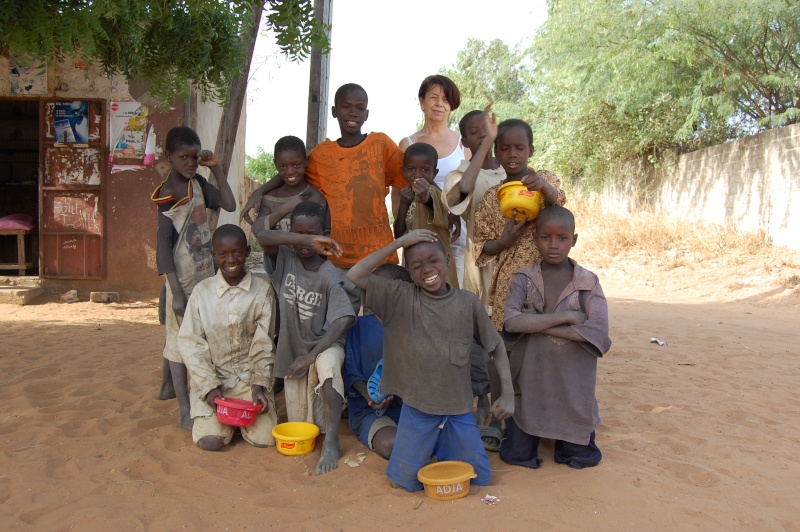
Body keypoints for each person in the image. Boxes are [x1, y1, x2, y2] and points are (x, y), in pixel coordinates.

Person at [346, 229, 515, 492]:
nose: (427, 269)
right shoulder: (401, 298)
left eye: (434, 260)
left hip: (458, 412)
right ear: (409, 272)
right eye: (417, 265)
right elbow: (354, 275)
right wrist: (399, 242)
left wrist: (508, 394)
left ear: (448, 258)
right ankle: (428, 446)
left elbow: (496, 348)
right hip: (417, 411)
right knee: (404, 483)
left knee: (480, 479)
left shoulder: (467, 303)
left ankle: (442, 445)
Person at [243, 83, 408, 313]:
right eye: (346, 106)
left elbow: (411, 172)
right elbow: (292, 170)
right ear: (334, 111)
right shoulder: (323, 156)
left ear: (367, 114)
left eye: (360, 108)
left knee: (380, 327)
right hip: (339, 260)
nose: (353, 112)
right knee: (342, 326)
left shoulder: (381, 145)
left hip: (379, 260)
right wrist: (258, 191)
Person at [473, 118, 566, 451]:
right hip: (507, 284)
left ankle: (542, 420)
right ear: (496, 151)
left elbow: (560, 205)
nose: (512, 154)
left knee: (543, 350)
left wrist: (542, 188)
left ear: (531, 149)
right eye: (505, 147)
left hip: (546, 282)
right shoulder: (490, 198)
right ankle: (498, 419)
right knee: (502, 351)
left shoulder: (545, 182)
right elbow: (480, 245)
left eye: (519, 147)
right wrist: (504, 240)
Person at [501, 205, 611, 468]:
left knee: (581, 457)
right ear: (535, 238)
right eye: (545, 237)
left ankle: (565, 437)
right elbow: (512, 322)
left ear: (574, 240)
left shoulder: (588, 282)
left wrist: (537, 321)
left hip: (573, 389)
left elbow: (598, 332)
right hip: (530, 383)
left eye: (562, 238)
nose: (553, 245)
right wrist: (569, 317)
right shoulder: (523, 278)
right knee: (516, 455)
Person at [256, 201, 356, 474]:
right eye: (298, 233)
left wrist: (312, 355)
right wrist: (305, 238)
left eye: (313, 233)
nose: (304, 241)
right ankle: (326, 424)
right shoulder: (285, 258)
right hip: (293, 353)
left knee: (328, 364)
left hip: (323, 347)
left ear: (325, 233)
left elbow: (344, 318)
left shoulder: (328, 274)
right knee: (304, 424)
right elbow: (260, 234)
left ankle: (333, 441)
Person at [152, 126, 235, 429]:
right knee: (178, 342)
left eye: (194, 157)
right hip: (181, 280)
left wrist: (217, 169)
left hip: (205, 275)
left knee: (196, 335)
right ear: (169, 157)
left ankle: (167, 389)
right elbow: (163, 246)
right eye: (182, 157)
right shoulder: (166, 193)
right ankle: (184, 408)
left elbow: (229, 204)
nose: (190, 163)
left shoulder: (199, 183)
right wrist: (175, 291)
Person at [178, 225, 278, 451]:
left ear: (248, 252)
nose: (231, 259)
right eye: (223, 254)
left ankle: (241, 424)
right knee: (210, 442)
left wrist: (259, 385)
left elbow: (264, 345)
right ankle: (222, 426)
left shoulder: (262, 291)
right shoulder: (202, 292)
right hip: (215, 381)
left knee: (266, 440)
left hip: (248, 380)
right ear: (214, 255)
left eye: (237, 252)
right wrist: (209, 387)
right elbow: (190, 344)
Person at [398, 75, 468, 286]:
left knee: (456, 287)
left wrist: (457, 217)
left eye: (446, 100)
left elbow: (468, 188)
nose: (440, 104)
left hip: (456, 229)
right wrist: (404, 229)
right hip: (419, 228)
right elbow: (398, 192)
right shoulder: (407, 143)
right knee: (419, 284)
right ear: (421, 102)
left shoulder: (463, 143)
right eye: (433, 97)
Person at [343, 263, 410, 460]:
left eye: (378, 288)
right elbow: (351, 371)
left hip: (410, 409)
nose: (370, 292)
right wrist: (370, 398)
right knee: (391, 445)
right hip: (370, 411)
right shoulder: (359, 326)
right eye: (369, 286)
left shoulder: (412, 326)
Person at [442, 105, 505, 310]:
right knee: (484, 312)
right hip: (481, 260)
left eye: (485, 129)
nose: (482, 134)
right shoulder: (460, 174)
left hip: (511, 256)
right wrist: (487, 145)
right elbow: (465, 188)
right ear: (464, 142)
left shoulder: (509, 169)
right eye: (474, 132)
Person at [392, 142, 458, 288]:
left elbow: (428, 199)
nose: (417, 175)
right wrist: (403, 204)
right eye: (411, 169)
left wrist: (424, 196)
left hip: (438, 269)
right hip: (416, 267)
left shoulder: (436, 194)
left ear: (434, 173)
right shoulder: (407, 195)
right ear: (403, 171)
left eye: (425, 170)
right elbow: (399, 235)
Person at [242, 135, 329, 235]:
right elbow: (257, 231)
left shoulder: (317, 194)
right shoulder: (269, 199)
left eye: (296, 165)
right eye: (283, 166)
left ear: (306, 162)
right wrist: (286, 208)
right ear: (275, 164)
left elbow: (327, 232)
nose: (290, 172)